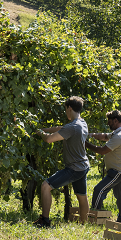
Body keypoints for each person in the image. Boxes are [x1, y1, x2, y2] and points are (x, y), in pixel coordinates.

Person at [33, 96, 90, 228]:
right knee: (82, 196)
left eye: (66, 110)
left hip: (74, 168)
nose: (66, 112)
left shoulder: (73, 127)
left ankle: (45, 221)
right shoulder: (82, 123)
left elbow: (49, 140)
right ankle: (84, 225)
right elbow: (62, 128)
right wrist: (45, 129)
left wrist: (40, 133)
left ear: (69, 108)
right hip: (83, 166)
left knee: (45, 186)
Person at [86, 109, 121, 224]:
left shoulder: (119, 136)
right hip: (120, 169)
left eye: (110, 121)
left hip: (117, 171)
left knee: (99, 190)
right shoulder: (118, 133)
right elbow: (105, 136)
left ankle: (95, 219)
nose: (108, 123)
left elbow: (102, 151)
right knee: (120, 196)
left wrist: (85, 144)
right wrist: (90, 135)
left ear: (115, 121)